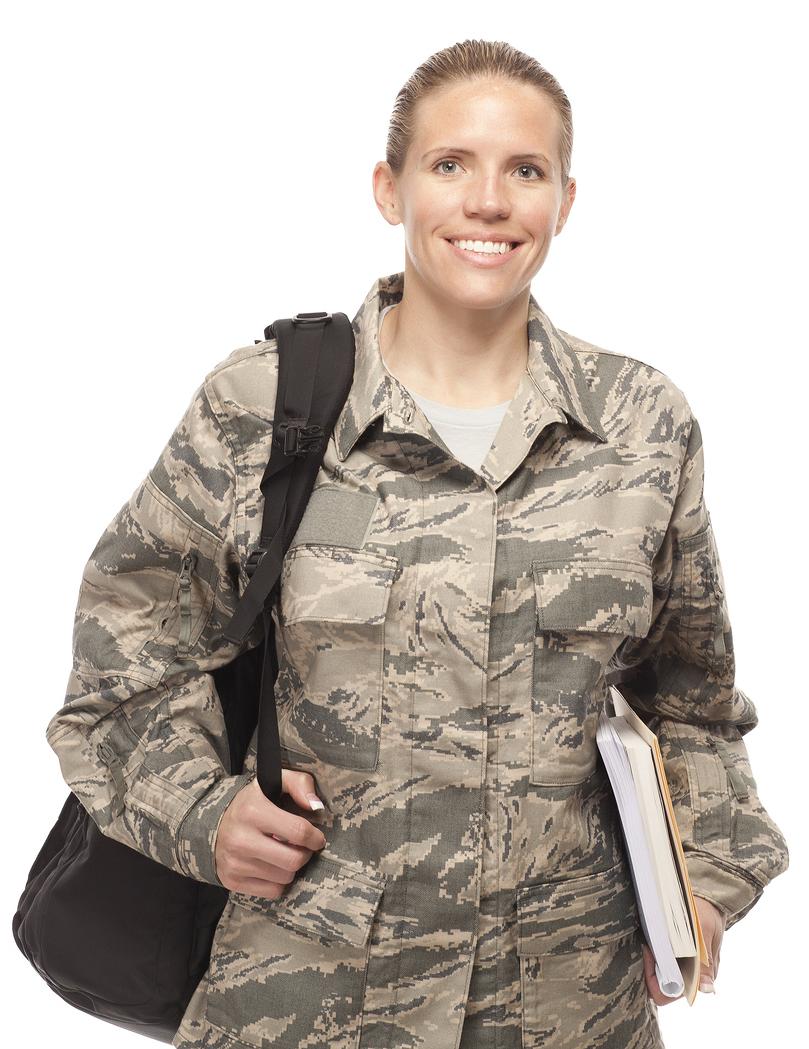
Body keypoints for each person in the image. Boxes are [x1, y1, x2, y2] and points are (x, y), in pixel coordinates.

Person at [46, 38, 789, 1049]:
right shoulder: (264, 404)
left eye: (523, 170)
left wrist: (697, 886)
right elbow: (126, 659)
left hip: (567, 1007)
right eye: (449, 164)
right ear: (387, 188)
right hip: (306, 995)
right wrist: (201, 810)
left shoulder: (642, 425)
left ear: (563, 201)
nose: (487, 201)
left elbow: (691, 707)